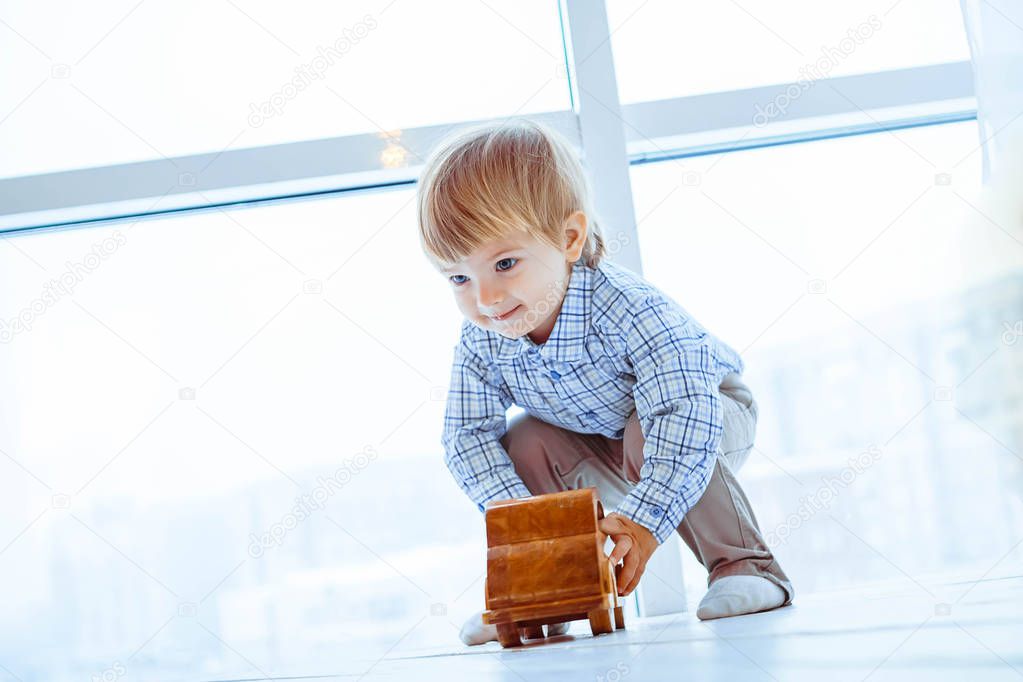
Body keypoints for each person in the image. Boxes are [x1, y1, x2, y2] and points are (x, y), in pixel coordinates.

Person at [416, 119, 793, 645]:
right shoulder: (483, 338)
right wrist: (528, 530)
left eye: (505, 263)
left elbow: (682, 412)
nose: (486, 299)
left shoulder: (629, 310)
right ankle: (549, 593)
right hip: (600, 437)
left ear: (568, 239)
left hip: (706, 413)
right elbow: (466, 437)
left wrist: (642, 521)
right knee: (524, 441)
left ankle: (745, 565)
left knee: (651, 430)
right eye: (459, 277)